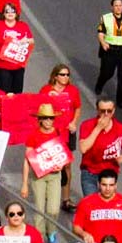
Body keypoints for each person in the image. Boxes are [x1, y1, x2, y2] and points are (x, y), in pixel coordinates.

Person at [22, 103, 71, 243]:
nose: (49, 121)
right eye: (46, 118)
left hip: (55, 175)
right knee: (39, 209)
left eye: (51, 118)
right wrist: (24, 183)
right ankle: (39, 239)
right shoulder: (33, 135)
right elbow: (27, 159)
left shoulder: (58, 133)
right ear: (40, 120)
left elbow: (64, 152)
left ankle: (51, 231)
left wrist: (62, 165)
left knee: (53, 209)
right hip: (38, 176)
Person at [36, 65, 82, 202]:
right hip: (50, 133)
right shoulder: (46, 90)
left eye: (67, 75)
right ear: (55, 76)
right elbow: (38, 108)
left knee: (66, 165)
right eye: (62, 74)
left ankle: (66, 198)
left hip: (67, 132)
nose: (65, 77)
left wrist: (74, 122)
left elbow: (77, 108)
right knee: (49, 164)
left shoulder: (72, 91)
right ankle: (46, 194)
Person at [76, 98, 122, 205]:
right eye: (102, 111)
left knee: (105, 206)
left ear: (114, 110)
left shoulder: (121, 128)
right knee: (92, 207)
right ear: (97, 110)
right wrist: (98, 128)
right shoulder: (87, 125)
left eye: (109, 111)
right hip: (90, 173)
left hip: (109, 175)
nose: (106, 114)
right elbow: (83, 148)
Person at [94, 0, 122, 107]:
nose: (118, 8)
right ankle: (100, 84)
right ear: (112, 7)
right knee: (107, 73)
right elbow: (100, 33)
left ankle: (121, 100)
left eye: (120, 5)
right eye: (116, 5)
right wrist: (103, 43)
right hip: (110, 51)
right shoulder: (106, 18)